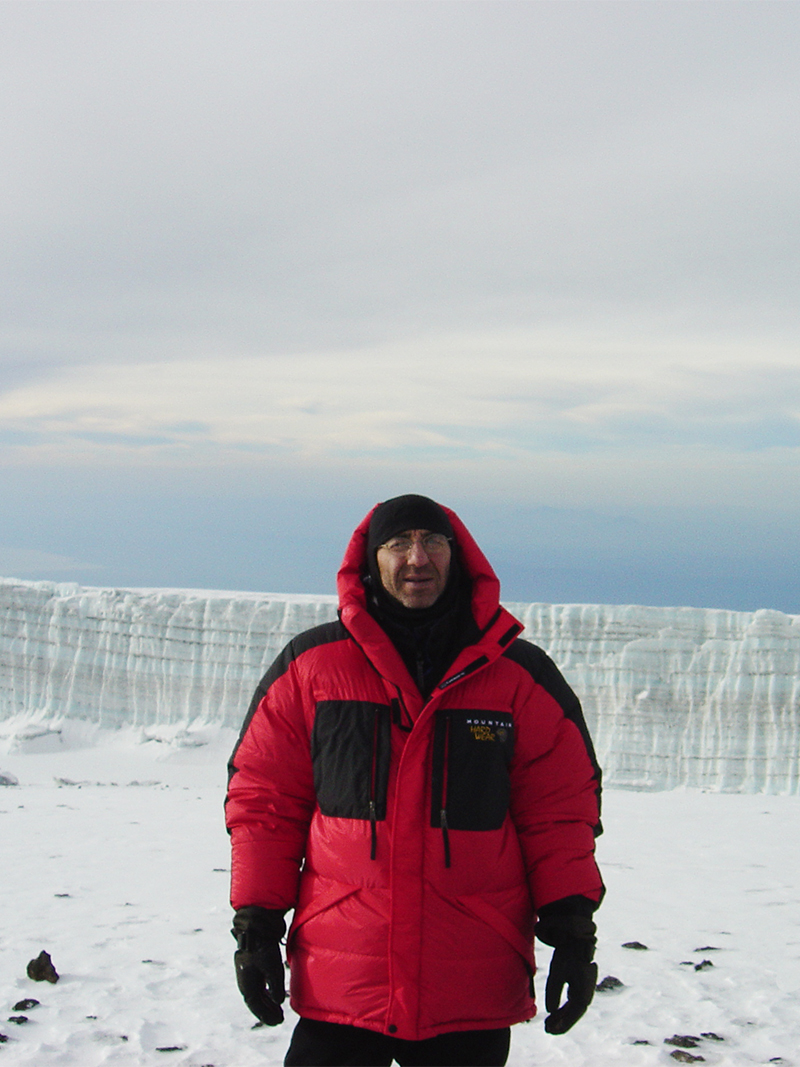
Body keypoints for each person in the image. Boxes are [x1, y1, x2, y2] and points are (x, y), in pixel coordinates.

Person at [225, 494, 604, 1066]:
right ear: (371, 561)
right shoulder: (313, 669)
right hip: (345, 978)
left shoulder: (519, 678)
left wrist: (573, 926)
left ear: (459, 555)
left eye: (432, 542)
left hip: (468, 981)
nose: (416, 558)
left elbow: (559, 811)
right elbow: (265, 802)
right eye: (398, 544)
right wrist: (256, 926)